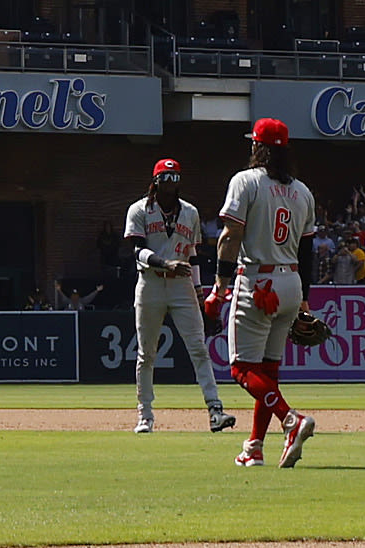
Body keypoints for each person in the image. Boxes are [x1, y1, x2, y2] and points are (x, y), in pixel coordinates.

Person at [207, 119, 318, 470]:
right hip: (291, 282)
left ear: (258, 147)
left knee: (241, 369)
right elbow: (308, 251)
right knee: (267, 373)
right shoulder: (303, 191)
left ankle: (291, 420)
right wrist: (303, 299)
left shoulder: (246, 181)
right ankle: (254, 446)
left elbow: (229, 237)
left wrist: (219, 286)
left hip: (257, 281)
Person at [122, 157, 234, 435]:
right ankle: (145, 416)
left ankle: (215, 410)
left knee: (198, 348)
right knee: (146, 354)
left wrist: (200, 295)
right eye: (166, 179)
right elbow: (137, 251)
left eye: (176, 178)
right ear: (155, 181)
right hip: (151, 282)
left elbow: (193, 256)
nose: (171, 184)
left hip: (182, 285)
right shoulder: (139, 210)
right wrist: (164, 263)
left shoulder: (190, 212)